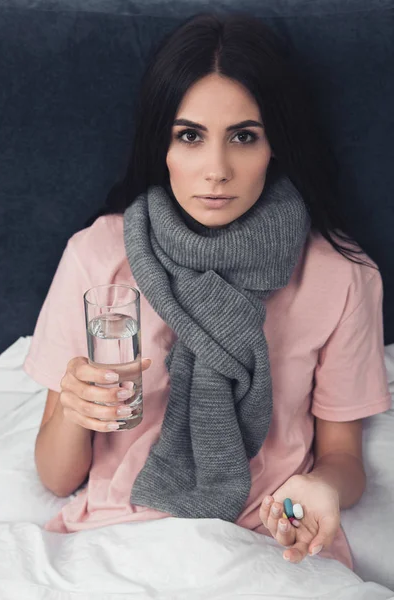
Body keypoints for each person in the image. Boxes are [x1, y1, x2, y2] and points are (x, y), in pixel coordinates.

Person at [24, 12, 391, 570]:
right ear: (162, 145)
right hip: (118, 534)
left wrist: (321, 490)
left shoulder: (341, 275)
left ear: (275, 146)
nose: (215, 169)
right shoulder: (98, 257)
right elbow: (56, 476)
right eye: (190, 136)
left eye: (244, 136)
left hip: (264, 540)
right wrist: (75, 409)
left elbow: (342, 456)